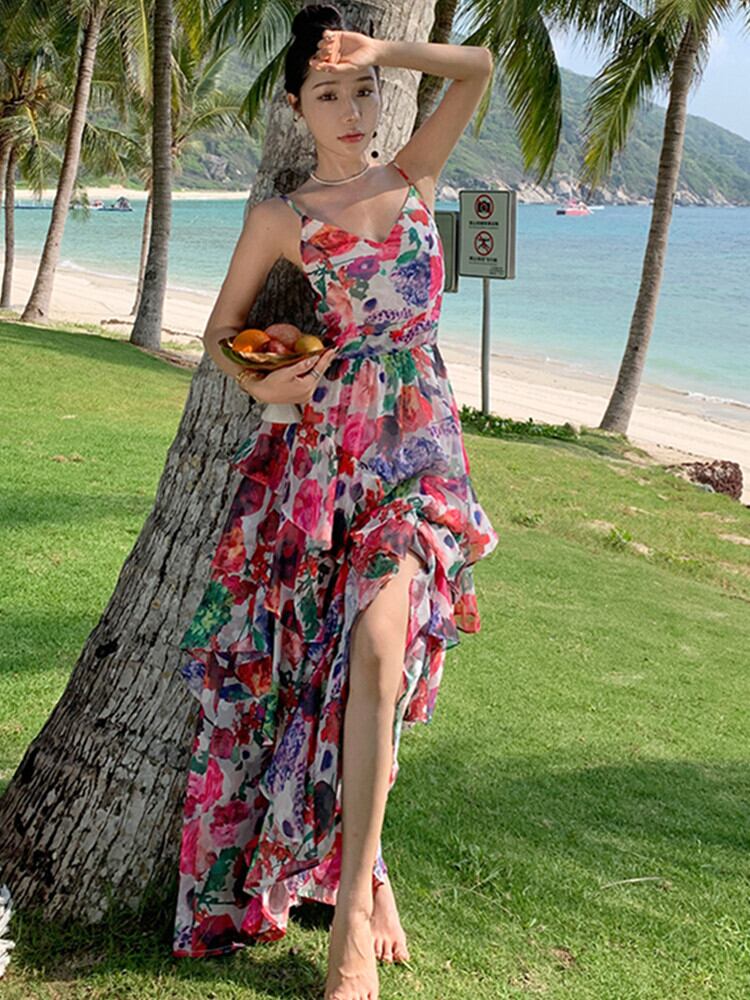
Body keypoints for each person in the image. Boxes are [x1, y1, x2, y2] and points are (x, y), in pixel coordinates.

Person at [172, 5, 499, 998]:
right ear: (296, 108)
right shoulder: (284, 216)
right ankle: (372, 874)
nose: (353, 110)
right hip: (329, 463)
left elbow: (479, 67)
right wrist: (267, 376)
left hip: (421, 456)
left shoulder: (414, 177)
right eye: (329, 94)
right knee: (338, 669)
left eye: (363, 92)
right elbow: (220, 330)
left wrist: (384, 50)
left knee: (382, 651)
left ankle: (351, 912)